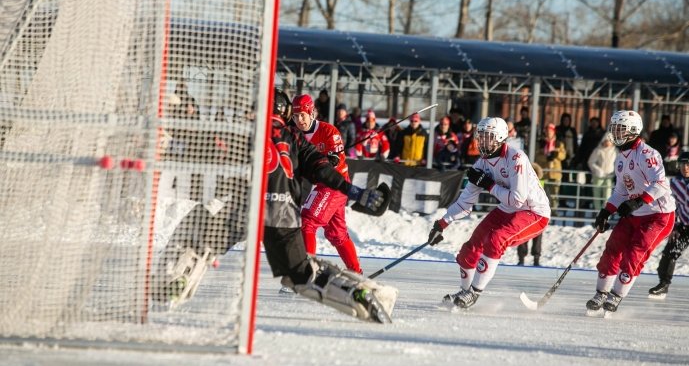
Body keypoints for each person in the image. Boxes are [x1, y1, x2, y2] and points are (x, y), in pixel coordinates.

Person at [155, 88, 396, 323]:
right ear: (286, 112)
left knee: (201, 222)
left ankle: (177, 278)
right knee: (303, 273)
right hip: (283, 217)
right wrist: (355, 191)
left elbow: (207, 143)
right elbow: (323, 171)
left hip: (249, 211)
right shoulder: (295, 138)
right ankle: (359, 294)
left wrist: (175, 125)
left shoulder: (250, 132)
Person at [426, 117, 551, 309]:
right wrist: (442, 223)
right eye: (481, 137)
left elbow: (517, 199)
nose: (483, 142)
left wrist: (489, 185)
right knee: (470, 247)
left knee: (495, 239)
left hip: (533, 211)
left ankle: (474, 292)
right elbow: (465, 202)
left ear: (500, 138)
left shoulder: (516, 158)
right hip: (507, 208)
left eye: (488, 137)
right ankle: (466, 291)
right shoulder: (481, 164)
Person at [587, 110, 675, 315]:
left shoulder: (648, 154)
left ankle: (616, 295)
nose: (615, 133)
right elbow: (620, 191)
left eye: (620, 129)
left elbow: (661, 184)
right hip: (635, 214)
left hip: (658, 215)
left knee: (635, 252)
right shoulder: (620, 159)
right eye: (614, 128)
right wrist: (606, 211)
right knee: (613, 248)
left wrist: (636, 202)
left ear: (633, 131)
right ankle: (601, 292)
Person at [291, 94, 363, 273]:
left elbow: (337, 160)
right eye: (295, 116)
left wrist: (330, 160)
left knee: (307, 221)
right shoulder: (294, 136)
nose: (299, 120)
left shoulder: (329, 131)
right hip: (321, 186)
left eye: (303, 115)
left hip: (335, 183)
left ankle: (307, 272)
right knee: (336, 233)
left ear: (311, 113)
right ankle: (356, 272)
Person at [648, 151, 689, 299]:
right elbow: (673, 206)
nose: (686, 168)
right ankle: (663, 284)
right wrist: (675, 226)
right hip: (684, 227)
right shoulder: (675, 184)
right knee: (669, 254)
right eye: (683, 164)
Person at [533, 123, 567, 211]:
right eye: (547, 131)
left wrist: (555, 154)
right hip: (542, 173)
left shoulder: (559, 143)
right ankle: (540, 211)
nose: (548, 133)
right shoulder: (541, 142)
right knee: (540, 194)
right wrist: (546, 157)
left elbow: (563, 156)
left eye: (550, 131)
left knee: (554, 195)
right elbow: (536, 156)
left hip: (555, 173)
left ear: (553, 132)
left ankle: (553, 212)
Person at [587, 134, 617, 211]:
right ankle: (597, 212)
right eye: (606, 141)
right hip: (598, 176)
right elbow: (591, 162)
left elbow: (618, 163)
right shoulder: (598, 150)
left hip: (609, 177)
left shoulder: (615, 151)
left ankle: (605, 214)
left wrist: (614, 172)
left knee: (607, 197)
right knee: (596, 196)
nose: (607, 143)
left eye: (609, 141)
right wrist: (598, 170)